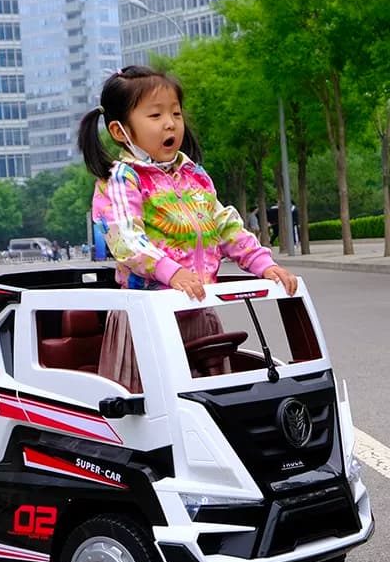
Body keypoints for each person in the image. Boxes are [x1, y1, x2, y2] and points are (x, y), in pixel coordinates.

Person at [77, 65, 297, 388]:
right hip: (148, 316)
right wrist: (171, 272)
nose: (170, 123)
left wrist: (264, 265)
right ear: (119, 130)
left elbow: (224, 225)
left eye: (176, 114)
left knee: (215, 406)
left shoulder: (194, 175)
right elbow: (126, 239)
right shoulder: (121, 179)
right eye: (155, 116)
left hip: (199, 309)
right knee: (151, 414)